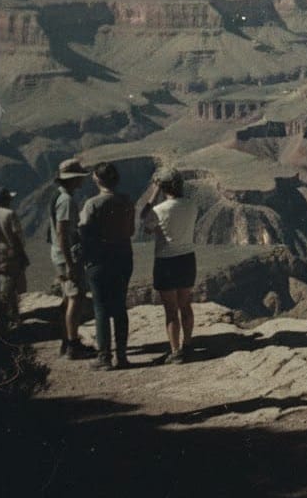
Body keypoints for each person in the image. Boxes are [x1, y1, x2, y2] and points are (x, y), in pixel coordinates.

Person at [78, 162, 136, 370]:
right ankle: (122, 356)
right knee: (120, 307)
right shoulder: (127, 201)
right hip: (123, 256)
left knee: (101, 308)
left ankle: (104, 358)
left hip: (99, 259)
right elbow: (131, 231)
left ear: (97, 179)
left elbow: (83, 232)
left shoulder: (92, 204)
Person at [140, 166, 198, 364]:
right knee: (185, 305)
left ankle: (176, 351)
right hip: (187, 259)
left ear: (163, 187)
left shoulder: (158, 211)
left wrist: (154, 192)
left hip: (166, 262)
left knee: (171, 310)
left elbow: (145, 223)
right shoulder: (192, 205)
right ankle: (188, 345)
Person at [48, 158, 93, 358]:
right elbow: (62, 233)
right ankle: (73, 345)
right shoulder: (66, 200)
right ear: (73, 179)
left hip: (59, 254)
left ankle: (67, 341)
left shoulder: (58, 196)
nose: (82, 180)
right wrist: (70, 264)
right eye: (80, 177)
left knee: (68, 298)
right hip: (67, 257)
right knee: (76, 298)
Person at [0, 187, 30, 331]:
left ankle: (8, 317)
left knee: (3, 286)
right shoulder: (9, 214)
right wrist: (22, 254)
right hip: (11, 255)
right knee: (12, 287)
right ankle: (12, 318)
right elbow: (16, 236)